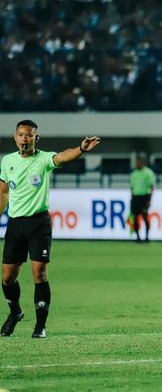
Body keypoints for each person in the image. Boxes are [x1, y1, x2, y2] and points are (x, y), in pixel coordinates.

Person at [0, 120, 101, 338]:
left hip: (39, 224)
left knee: (39, 273)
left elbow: (63, 156)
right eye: (20, 135)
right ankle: (16, 312)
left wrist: (81, 148)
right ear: (14, 138)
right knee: (7, 277)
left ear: (36, 138)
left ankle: (40, 326)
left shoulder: (44, 159)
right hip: (16, 224)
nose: (24, 139)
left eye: (28, 135)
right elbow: (3, 192)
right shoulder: (7, 161)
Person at [130, 154, 156, 242]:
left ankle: (147, 237)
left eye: (139, 162)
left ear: (142, 162)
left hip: (144, 197)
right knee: (135, 217)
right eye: (136, 162)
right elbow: (132, 187)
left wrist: (150, 199)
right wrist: (132, 198)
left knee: (145, 217)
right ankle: (138, 237)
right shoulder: (134, 174)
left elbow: (152, 187)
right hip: (136, 197)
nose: (137, 164)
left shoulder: (148, 173)